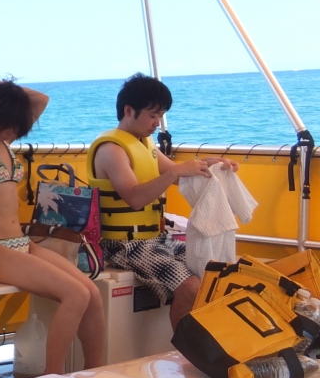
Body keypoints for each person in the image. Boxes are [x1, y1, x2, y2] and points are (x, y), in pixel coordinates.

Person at [0, 56, 105, 375]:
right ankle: (53, 377)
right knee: (75, 295)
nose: (11, 132)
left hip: (20, 244)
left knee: (92, 293)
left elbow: (40, 99)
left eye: (15, 127)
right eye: (6, 125)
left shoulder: (4, 143)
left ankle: (97, 373)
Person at [88, 73, 237, 328]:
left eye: (161, 115)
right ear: (129, 110)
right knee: (191, 287)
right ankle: (184, 350)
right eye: (153, 115)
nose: (157, 123)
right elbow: (135, 198)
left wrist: (213, 164)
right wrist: (175, 172)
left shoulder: (145, 145)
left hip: (157, 239)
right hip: (123, 245)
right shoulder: (111, 150)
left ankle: (208, 341)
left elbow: (179, 175)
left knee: (215, 270)